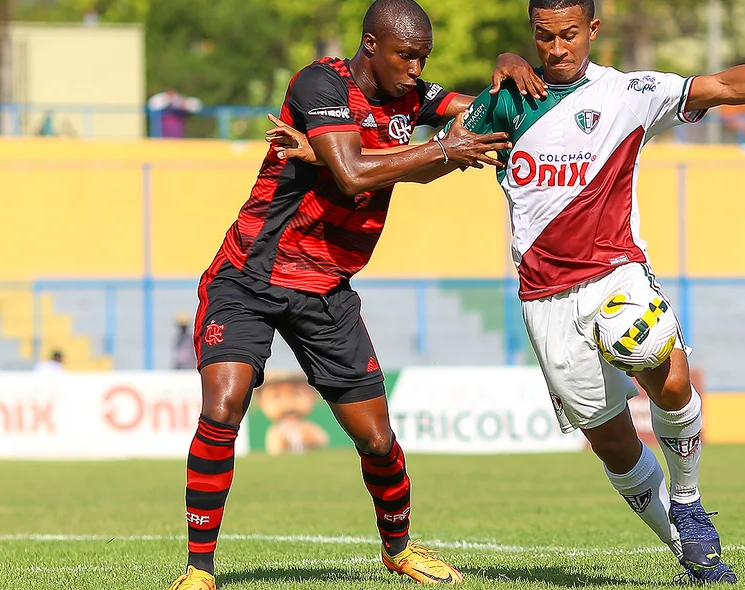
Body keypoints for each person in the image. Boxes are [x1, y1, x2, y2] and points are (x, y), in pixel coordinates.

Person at [272, 0, 745, 584]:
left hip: (616, 274)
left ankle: (691, 499)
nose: (557, 48)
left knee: (667, 374)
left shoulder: (631, 94)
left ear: (593, 30)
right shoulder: (508, 100)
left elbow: (722, 84)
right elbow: (428, 160)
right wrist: (324, 150)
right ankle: (690, 549)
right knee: (614, 445)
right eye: (544, 37)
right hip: (545, 301)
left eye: (569, 35)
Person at [165, 1, 544, 588]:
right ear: (371, 45)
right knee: (223, 406)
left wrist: (508, 61)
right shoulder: (320, 82)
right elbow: (352, 172)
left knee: (376, 437)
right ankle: (198, 570)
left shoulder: (411, 97)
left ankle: (398, 551)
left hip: (327, 289)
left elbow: (479, 112)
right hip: (250, 276)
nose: (416, 68)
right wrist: (442, 152)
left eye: (423, 57)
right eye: (405, 55)